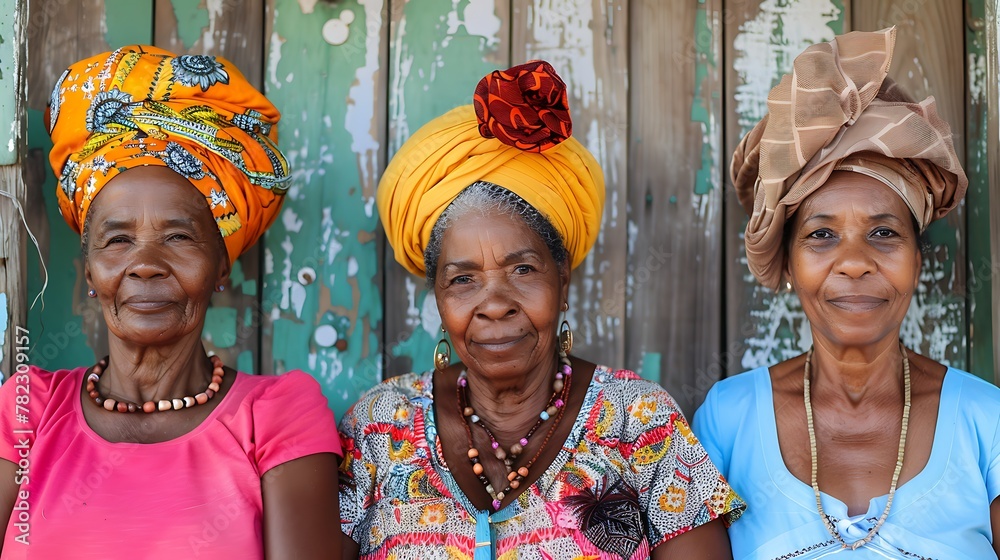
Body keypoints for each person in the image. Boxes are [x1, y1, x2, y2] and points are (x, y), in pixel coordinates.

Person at [339, 60, 744, 560]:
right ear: (438, 297)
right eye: (463, 279)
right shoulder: (379, 426)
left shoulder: (637, 421)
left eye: (524, 270)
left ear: (563, 279)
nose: (494, 305)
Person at [0, 45, 342, 559]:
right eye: (117, 241)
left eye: (179, 237)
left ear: (221, 265)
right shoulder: (27, 412)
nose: (145, 263)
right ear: (89, 272)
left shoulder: (274, 416)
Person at [692, 28, 1000, 559]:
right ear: (787, 263)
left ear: (918, 260)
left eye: (884, 233)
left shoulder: (984, 419)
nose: (855, 263)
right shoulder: (729, 418)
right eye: (821, 235)